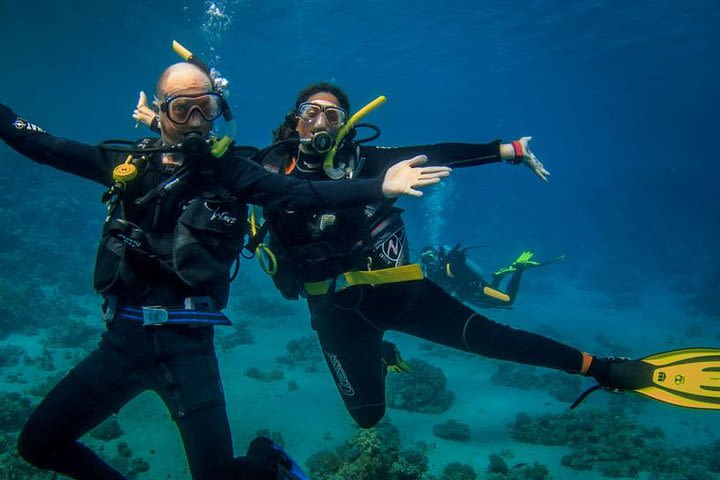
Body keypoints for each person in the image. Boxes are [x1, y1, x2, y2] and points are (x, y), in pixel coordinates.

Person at [0, 63, 449, 480]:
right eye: (182, 108)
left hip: (189, 349)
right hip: (121, 344)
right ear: (162, 112)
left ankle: (266, 460)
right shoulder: (127, 165)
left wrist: (379, 186)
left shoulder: (232, 173)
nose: (197, 120)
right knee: (39, 444)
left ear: (218, 109)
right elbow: (42, 146)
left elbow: (302, 192)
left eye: (206, 108)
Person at [241, 82, 709, 427]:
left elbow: (438, 151)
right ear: (295, 119)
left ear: (348, 124)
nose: (322, 122)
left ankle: (603, 367)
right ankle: (377, 348)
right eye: (311, 111)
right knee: (367, 417)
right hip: (333, 312)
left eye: (334, 114)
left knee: (493, 338)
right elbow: (230, 176)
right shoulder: (266, 166)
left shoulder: (367, 161)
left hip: (402, 292)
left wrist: (507, 150)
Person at [419, 245, 565, 308]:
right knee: (490, 305)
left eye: (430, 257)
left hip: (478, 289)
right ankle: (498, 276)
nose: (429, 262)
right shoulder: (428, 273)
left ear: (437, 256)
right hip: (469, 296)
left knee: (508, 300)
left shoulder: (450, 266)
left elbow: (468, 277)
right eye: (425, 259)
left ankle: (520, 269)